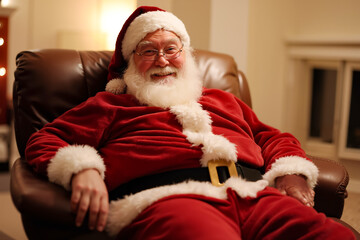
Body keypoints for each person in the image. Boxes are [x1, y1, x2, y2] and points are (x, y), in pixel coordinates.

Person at [25, 6, 355, 240]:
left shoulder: (222, 100)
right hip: (168, 200)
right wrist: (83, 168)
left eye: (172, 48)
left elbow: (272, 138)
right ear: (130, 62)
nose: (163, 60)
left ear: (186, 54)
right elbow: (45, 139)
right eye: (148, 51)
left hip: (255, 195)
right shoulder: (111, 104)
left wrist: (293, 173)